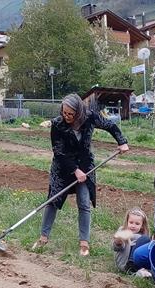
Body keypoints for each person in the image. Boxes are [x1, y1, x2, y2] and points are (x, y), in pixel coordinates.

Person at [32, 93, 129, 257]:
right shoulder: (58, 124)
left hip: (85, 166)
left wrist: (122, 142)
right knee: (52, 200)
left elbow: (110, 126)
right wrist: (74, 170)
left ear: (78, 112)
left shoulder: (89, 117)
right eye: (64, 113)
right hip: (63, 167)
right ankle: (43, 238)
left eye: (71, 114)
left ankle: (84, 243)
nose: (67, 116)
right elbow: (58, 152)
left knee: (84, 203)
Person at [113, 207, 151, 276]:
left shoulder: (143, 237)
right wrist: (118, 242)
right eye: (131, 222)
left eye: (137, 224)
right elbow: (116, 248)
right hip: (124, 263)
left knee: (145, 240)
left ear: (142, 226)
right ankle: (131, 265)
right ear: (127, 222)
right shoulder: (122, 231)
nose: (133, 226)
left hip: (137, 264)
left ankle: (138, 270)